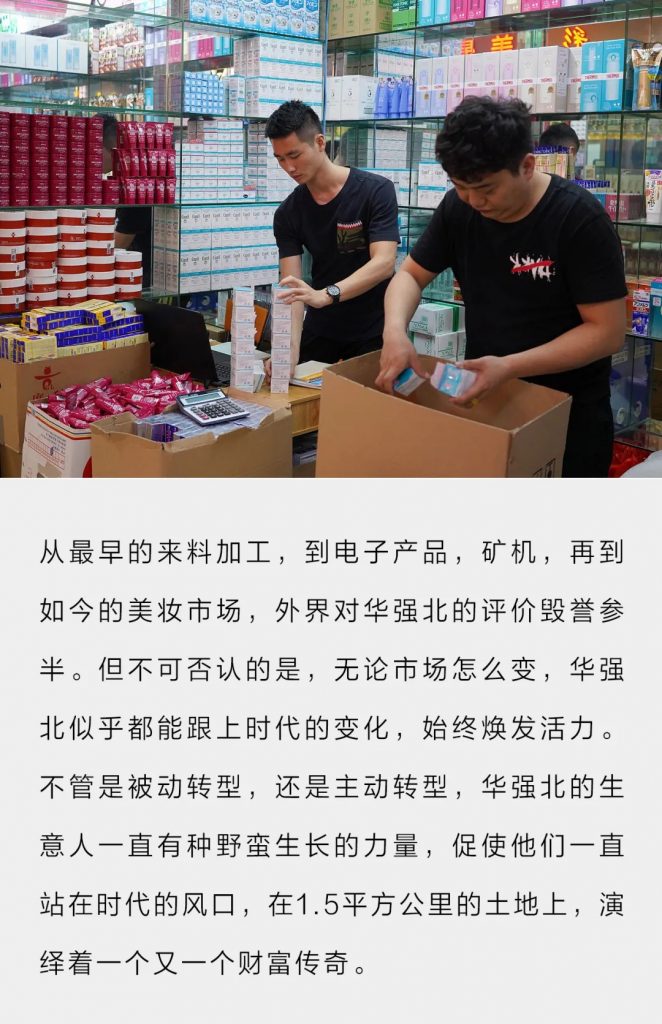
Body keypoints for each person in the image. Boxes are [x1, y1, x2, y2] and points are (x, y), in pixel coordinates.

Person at [376, 97, 627, 478]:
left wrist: (509, 366)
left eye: (487, 188)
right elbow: (409, 276)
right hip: (486, 401)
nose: (475, 201)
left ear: (527, 166)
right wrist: (395, 332)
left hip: (566, 412)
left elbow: (607, 332)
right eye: (461, 187)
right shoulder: (458, 208)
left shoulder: (578, 219)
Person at [264, 100, 400, 374]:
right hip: (322, 326)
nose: (289, 167)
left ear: (319, 142)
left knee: (364, 398)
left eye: (294, 155)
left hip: (374, 327)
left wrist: (327, 295)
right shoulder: (288, 213)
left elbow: (384, 263)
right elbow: (291, 289)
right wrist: (289, 350)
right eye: (280, 159)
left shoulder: (375, 191)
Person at [103, 115, 152, 287]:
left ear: (112, 149)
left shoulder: (135, 183)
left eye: (93, 149)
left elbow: (121, 241)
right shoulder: (125, 175)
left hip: (143, 277)